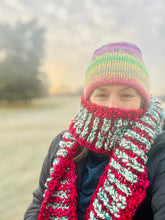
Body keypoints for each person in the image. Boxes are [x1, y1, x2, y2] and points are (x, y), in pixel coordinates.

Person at [24, 42, 165, 220]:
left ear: (142, 101)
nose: (112, 105)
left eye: (127, 95)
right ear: (89, 98)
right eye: (101, 94)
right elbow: (40, 200)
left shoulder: (159, 152)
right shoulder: (63, 144)